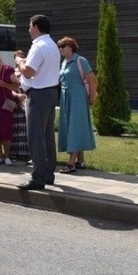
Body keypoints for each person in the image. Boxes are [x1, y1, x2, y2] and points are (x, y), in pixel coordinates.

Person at [16, 15, 61, 190]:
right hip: (50, 92)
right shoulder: (52, 45)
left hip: (38, 94)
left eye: (29, 26)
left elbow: (28, 72)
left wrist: (20, 61)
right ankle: (48, 173)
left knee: (36, 137)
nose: (28, 29)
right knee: (47, 136)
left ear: (35, 27)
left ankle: (38, 177)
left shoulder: (39, 46)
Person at [57, 37, 97, 173]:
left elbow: (92, 79)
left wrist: (91, 98)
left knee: (75, 125)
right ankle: (80, 160)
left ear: (71, 47)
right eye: (60, 47)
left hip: (78, 97)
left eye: (64, 46)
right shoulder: (64, 62)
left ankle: (71, 162)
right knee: (71, 126)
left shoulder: (80, 60)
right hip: (66, 97)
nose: (61, 49)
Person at [10, 50, 31, 161]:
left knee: (26, 127)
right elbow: (9, 88)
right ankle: (15, 152)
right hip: (16, 101)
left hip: (27, 100)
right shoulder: (12, 72)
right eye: (18, 57)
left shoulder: (29, 71)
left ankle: (26, 153)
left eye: (22, 56)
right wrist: (16, 95)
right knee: (16, 128)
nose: (20, 59)